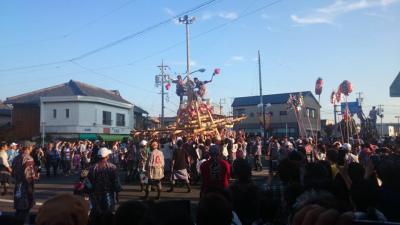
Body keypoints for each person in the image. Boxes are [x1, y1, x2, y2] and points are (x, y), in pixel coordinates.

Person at [87, 147, 122, 218]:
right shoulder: (112, 167)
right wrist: (117, 194)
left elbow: (88, 183)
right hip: (108, 194)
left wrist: (90, 193)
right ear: (107, 156)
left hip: (95, 195)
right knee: (108, 214)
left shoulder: (92, 168)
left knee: (96, 214)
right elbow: (116, 182)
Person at [11, 141, 39, 224]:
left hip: (17, 186)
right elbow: (29, 175)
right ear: (28, 147)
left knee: (18, 210)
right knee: (25, 210)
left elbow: (13, 174)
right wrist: (31, 186)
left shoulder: (16, 158)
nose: (32, 148)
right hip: (25, 186)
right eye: (31, 147)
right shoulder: (28, 158)